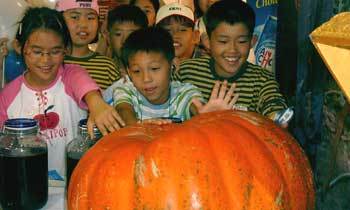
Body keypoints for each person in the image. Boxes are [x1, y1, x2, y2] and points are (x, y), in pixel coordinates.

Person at [0, 7, 124, 185]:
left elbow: (88, 90)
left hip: (73, 183)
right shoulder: (8, 95)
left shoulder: (71, 75)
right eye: (37, 52)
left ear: (65, 49)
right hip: (27, 187)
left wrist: (97, 104)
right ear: (20, 47)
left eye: (55, 51)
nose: (46, 60)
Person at [174, 0, 288, 125]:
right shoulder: (186, 72)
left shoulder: (262, 81)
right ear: (207, 42)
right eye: (223, 41)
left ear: (252, 41)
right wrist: (195, 109)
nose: (232, 50)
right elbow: (164, 102)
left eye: (241, 41)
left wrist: (276, 118)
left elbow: (273, 103)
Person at [112, 27, 237, 125]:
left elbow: (194, 105)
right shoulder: (126, 90)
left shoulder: (183, 92)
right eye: (136, 71)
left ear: (172, 65)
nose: (146, 79)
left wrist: (203, 115)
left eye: (154, 68)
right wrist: (136, 126)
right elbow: (124, 110)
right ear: (128, 72)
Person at [56, 0, 120, 90]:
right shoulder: (52, 63)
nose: (83, 24)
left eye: (90, 18)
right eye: (74, 17)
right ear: (59, 20)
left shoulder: (107, 67)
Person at [107, 4, 148, 75]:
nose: (124, 41)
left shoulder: (156, 70)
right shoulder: (104, 70)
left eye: (131, 35)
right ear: (108, 38)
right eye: (118, 34)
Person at [156, 3, 200, 69]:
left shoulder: (208, 65)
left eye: (182, 30)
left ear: (195, 36)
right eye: (167, 30)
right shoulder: (148, 64)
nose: (175, 35)